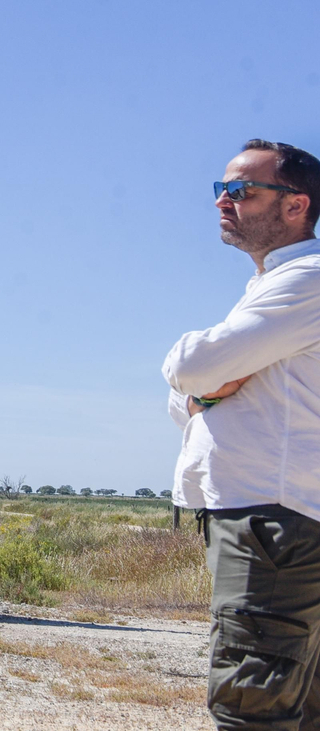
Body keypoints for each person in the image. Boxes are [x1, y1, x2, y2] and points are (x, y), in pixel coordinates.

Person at [165, 139, 320, 729]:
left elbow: (192, 368)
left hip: (274, 525)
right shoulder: (275, 285)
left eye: (240, 190)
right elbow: (194, 398)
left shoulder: (305, 280)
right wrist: (201, 392)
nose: (222, 202)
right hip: (280, 520)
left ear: (295, 205)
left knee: (252, 705)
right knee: (297, 707)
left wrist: (195, 382)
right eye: (220, 189)